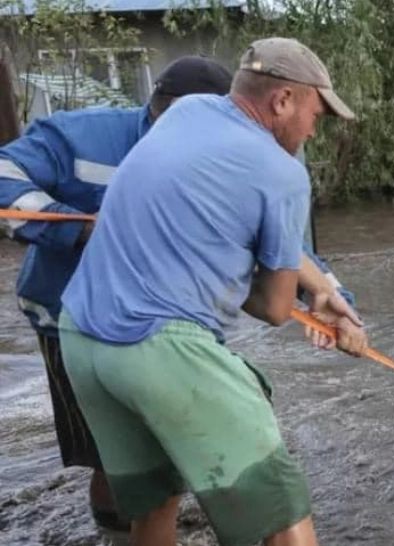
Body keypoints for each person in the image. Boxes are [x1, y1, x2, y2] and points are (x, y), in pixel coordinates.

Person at [58, 37, 364, 546]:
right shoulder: (283, 173)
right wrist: (325, 312)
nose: (316, 127)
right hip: (158, 346)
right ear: (283, 100)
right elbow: (270, 307)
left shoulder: (188, 111)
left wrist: (320, 290)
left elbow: (210, 227)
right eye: (316, 112)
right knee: (282, 513)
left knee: (154, 504)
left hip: (82, 340)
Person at [0, 55, 235, 531]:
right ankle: (118, 534)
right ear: (161, 111)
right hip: (68, 319)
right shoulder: (80, 136)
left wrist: (328, 295)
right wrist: (80, 230)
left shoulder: (225, 155)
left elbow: (274, 240)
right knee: (111, 454)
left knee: (179, 443)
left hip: (171, 322)